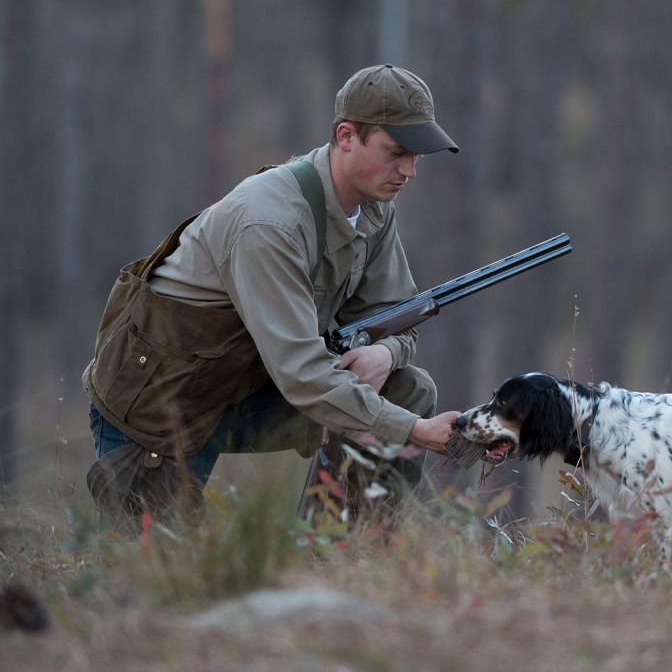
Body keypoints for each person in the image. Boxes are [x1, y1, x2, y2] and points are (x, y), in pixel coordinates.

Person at [82, 64, 463, 526]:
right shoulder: (269, 222)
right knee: (162, 575)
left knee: (407, 387)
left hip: (249, 387)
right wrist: (417, 432)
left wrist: (384, 350)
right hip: (164, 409)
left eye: (417, 156)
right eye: (397, 152)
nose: (409, 171)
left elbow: (398, 315)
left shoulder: (373, 209)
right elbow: (303, 374)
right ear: (346, 137)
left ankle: (341, 551)